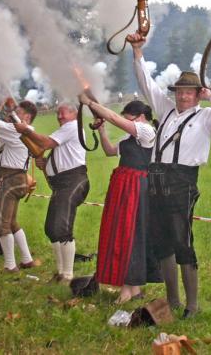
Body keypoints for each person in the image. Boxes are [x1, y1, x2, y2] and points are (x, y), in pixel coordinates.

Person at [130, 32, 211, 319]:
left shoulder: (207, 117)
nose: (182, 96)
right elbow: (147, 84)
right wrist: (137, 53)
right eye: (179, 91)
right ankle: (173, 300)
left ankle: (192, 306)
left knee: (183, 242)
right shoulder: (166, 110)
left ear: (197, 95)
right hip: (156, 180)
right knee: (162, 243)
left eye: (189, 92)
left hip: (182, 182)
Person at [80, 97, 162, 304]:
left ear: (141, 117)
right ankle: (133, 288)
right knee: (121, 232)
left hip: (136, 187)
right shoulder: (130, 136)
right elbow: (109, 151)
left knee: (130, 234)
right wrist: (101, 130)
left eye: (130, 119)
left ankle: (128, 288)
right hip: (124, 187)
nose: (128, 123)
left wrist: (90, 103)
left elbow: (113, 117)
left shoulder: (147, 131)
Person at [15, 102, 90, 284]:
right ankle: (60, 272)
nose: (59, 116)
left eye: (63, 113)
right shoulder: (67, 129)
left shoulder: (72, 126)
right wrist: (46, 164)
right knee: (51, 228)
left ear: (73, 114)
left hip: (74, 181)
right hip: (63, 183)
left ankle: (68, 275)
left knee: (61, 228)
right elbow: (60, 158)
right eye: (58, 113)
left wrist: (26, 131)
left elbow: (46, 142)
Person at [0, 99, 41, 272]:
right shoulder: (29, 131)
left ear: (27, 117)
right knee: (12, 222)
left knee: (1, 224)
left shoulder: (17, 131)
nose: (14, 115)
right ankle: (27, 259)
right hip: (17, 178)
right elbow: (1, 141)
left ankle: (9, 265)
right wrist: (12, 112)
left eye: (18, 112)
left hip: (10, 179)